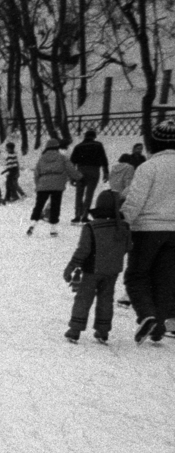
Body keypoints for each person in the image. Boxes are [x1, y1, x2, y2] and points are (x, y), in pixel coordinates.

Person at [120, 119, 175, 342]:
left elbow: (135, 201)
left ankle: (147, 316)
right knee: (165, 280)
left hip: (147, 231)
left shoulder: (148, 167)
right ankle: (159, 328)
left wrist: (122, 223)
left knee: (136, 275)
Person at [63, 190, 133, 343]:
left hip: (92, 269)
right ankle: (103, 331)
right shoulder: (124, 227)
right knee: (106, 299)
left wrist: (71, 266)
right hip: (113, 270)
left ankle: (75, 329)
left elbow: (83, 250)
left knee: (83, 298)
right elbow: (128, 247)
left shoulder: (91, 227)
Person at [28, 137, 77, 236]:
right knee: (55, 206)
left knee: (39, 205)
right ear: (57, 147)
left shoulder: (42, 158)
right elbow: (70, 169)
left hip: (43, 185)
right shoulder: (62, 157)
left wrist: (38, 185)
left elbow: (36, 173)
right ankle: (53, 229)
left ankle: (32, 225)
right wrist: (79, 177)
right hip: (57, 186)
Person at [70, 129, 110, 222]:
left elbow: (72, 162)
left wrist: (72, 176)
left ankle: (77, 215)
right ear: (94, 137)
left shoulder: (78, 146)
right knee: (89, 194)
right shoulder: (98, 145)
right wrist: (106, 172)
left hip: (80, 170)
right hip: (94, 171)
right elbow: (103, 159)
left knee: (79, 194)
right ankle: (84, 215)